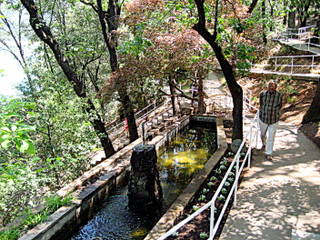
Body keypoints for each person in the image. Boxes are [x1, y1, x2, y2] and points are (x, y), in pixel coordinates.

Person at [259, 80, 283, 160]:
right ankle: (264, 143)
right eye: (270, 86)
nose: (271, 87)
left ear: (276, 87)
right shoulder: (262, 94)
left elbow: (280, 105)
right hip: (263, 118)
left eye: (273, 86)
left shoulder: (279, 95)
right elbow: (261, 104)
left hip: (274, 119)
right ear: (267, 86)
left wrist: (275, 112)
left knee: (271, 137)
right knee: (262, 134)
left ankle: (269, 153)